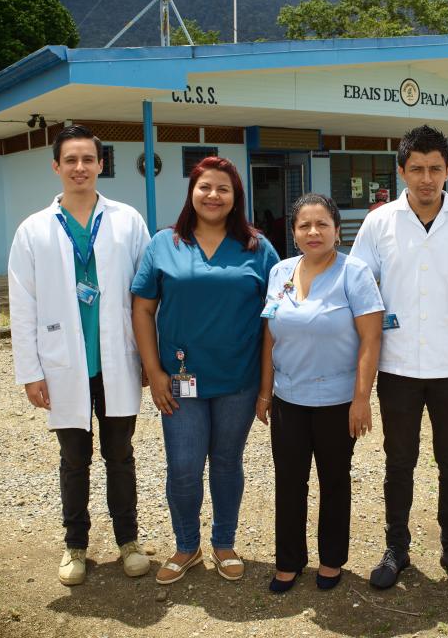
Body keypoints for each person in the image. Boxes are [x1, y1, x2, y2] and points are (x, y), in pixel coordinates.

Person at [351, 125, 448, 592]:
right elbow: (362, 286)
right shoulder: (379, 223)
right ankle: (396, 548)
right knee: (399, 460)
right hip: (397, 366)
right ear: (401, 171)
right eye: (416, 168)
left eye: (435, 168)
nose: (426, 179)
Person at [8, 124, 152, 586]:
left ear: (101, 164)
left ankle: (129, 541)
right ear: (56, 166)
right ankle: (75, 546)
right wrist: (30, 372)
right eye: (70, 160)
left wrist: (149, 359)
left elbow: (147, 294)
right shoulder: (33, 229)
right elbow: (22, 304)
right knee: (74, 459)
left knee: (120, 454)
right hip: (64, 363)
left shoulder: (127, 220)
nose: (79, 167)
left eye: (88, 159)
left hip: (118, 360)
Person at [131, 156, 279, 584]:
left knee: (228, 463)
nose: (213, 195)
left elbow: (273, 320)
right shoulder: (164, 244)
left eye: (223, 189)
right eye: (205, 187)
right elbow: (142, 309)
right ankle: (186, 545)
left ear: (236, 197)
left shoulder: (257, 248)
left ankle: (224, 542)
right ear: (191, 193)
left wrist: (266, 387)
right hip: (180, 381)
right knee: (183, 466)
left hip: (238, 381)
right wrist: (153, 371)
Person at [255, 193, 384, 593]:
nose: (313, 232)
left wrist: (361, 399)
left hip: (337, 401)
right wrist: (265, 392)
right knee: (289, 481)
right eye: (304, 225)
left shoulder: (354, 273)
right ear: (294, 233)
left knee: (334, 480)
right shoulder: (280, 272)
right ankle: (288, 561)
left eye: (322, 224)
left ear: (336, 230)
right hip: (288, 399)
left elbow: (371, 339)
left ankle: (331, 560)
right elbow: (270, 335)